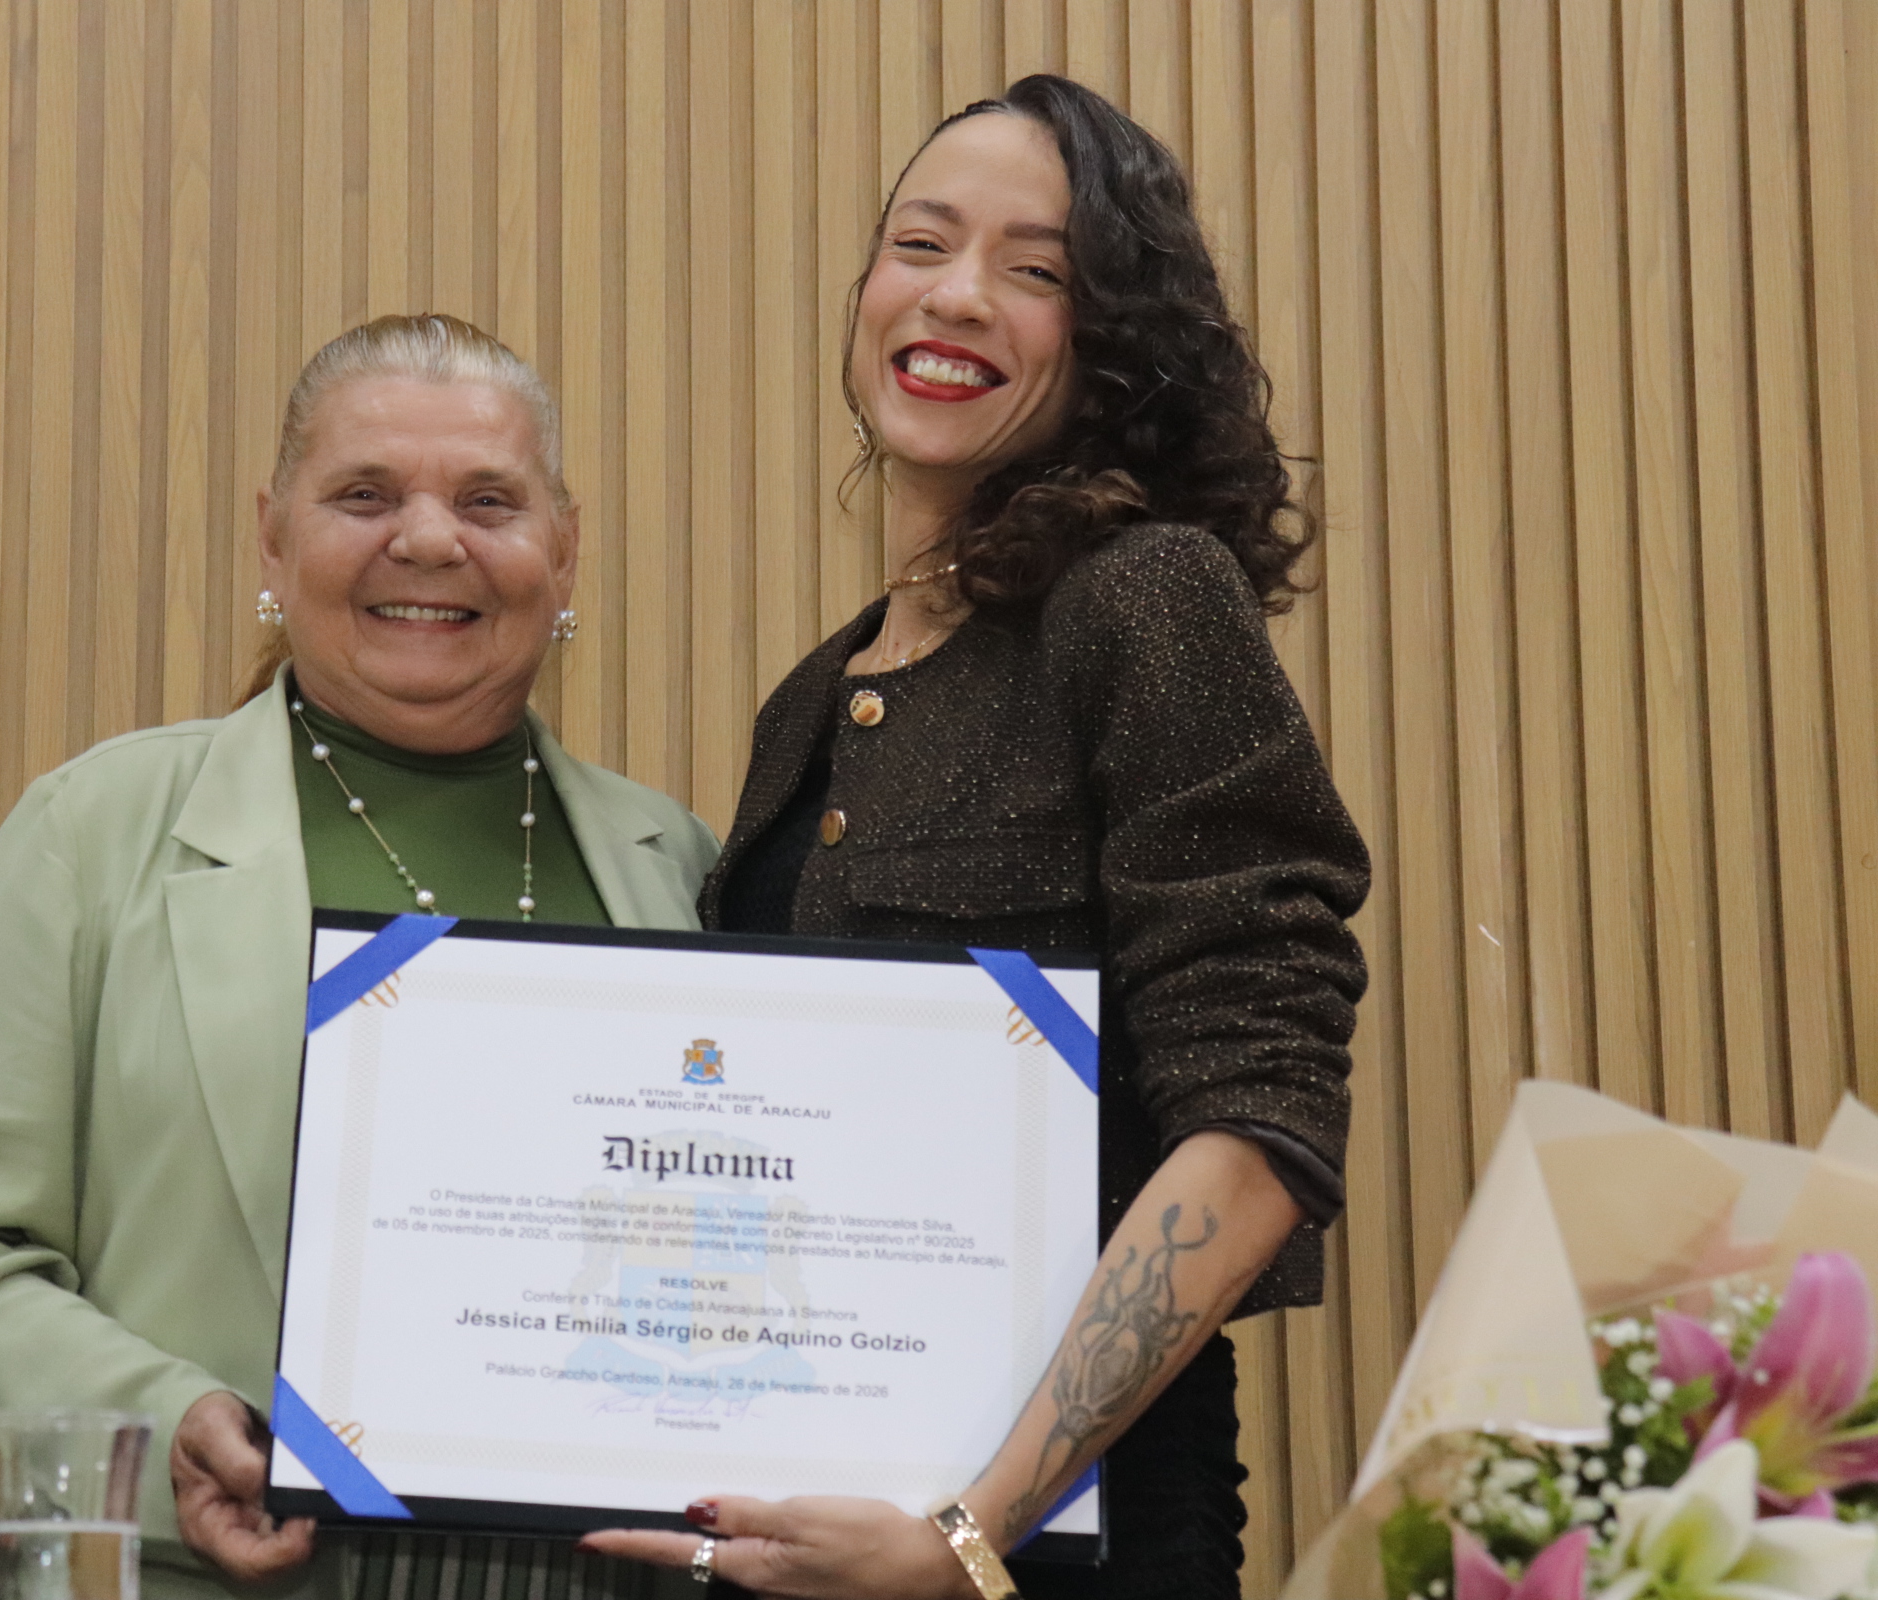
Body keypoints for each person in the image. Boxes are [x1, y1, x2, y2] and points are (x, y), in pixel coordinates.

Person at [579, 76, 1370, 1600]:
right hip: (809, 1541)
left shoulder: (1144, 599)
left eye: (1035, 269)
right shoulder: (815, 695)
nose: (954, 295)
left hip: (1064, 1550)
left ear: (1113, 342)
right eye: (921, 243)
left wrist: (970, 1530)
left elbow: (1263, 1116)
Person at [0, 314, 719, 1600]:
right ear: (274, 534)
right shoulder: (96, 831)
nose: (428, 539)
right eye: (365, 495)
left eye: (487, 500)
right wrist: (163, 1426)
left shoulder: (676, 864)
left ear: (563, 548)